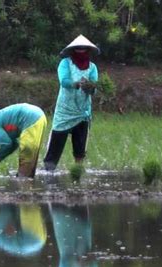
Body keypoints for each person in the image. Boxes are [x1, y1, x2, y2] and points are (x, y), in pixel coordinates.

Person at [43, 34, 100, 171]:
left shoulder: (92, 67)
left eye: (83, 49)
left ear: (87, 50)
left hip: (83, 112)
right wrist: (76, 84)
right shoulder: (65, 63)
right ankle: (49, 172)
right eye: (78, 49)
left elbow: (94, 88)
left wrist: (90, 87)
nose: (81, 51)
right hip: (64, 111)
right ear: (73, 50)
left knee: (80, 150)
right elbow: (64, 81)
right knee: (55, 147)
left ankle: (77, 172)